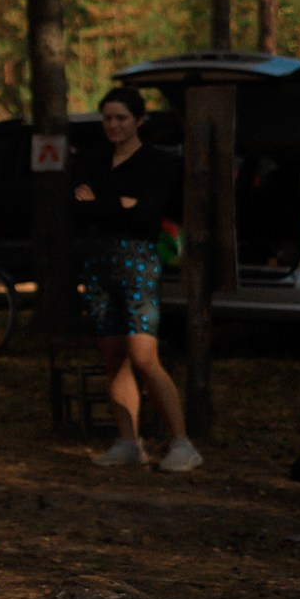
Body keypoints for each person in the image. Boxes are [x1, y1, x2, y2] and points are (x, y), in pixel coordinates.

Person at [74, 86, 201, 471]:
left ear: (139, 121)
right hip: (99, 266)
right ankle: (128, 441)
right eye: (108, 118)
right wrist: (118, 206)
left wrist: (99, 204)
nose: (113, 125)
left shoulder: (157, 163)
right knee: (113, 355)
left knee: (144, 357)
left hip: (139, 264)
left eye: (121, 118)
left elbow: (147, 216)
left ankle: (181, 442)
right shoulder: (95, 162)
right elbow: (75, 208)